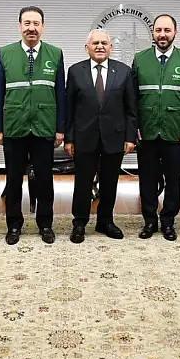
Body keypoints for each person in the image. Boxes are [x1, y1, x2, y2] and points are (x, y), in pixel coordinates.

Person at [0, 6, 64, 245]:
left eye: (36, 23)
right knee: (13, 180)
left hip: (44, 127)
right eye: (27, 23)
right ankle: (14, 225)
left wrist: (60, 128)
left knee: (45, 180)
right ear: (19, 26)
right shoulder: (5, 53)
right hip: (14, 127)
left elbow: (60, 94)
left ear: (43, 27)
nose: (31, 28)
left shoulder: (56, 54)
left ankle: (45, 224)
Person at [64, 28, 137, 243]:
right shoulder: (76, 71)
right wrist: (69, 138)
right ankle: (79, 223)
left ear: (111, 47)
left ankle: (105, 221)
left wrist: (130, 137)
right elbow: (69, 109)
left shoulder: (124, 71)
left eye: (104, 43)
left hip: (114, 138)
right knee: (83, 183)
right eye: (95, 43)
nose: (100, 46)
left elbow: (131, 109)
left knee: (110, 182)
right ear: (87, 48)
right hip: (83, 138)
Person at [132, 14, 180, 241]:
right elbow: (132, 97)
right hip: (147, 132)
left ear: (175, 33)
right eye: (158, 30)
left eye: (167, 30)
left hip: (175, 132)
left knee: (173, 180)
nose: (163, 34)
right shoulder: (139, 59)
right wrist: (134, 127)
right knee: (147, 179)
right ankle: (149, 221)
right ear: (152, 33)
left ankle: (168, 222)